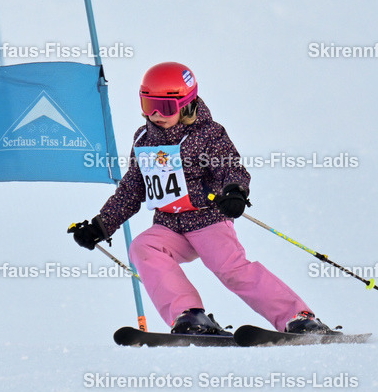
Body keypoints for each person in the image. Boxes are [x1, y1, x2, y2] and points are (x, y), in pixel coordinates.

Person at [69, 62, 331, 335]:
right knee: (143, 247)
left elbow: (230, 167)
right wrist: (101, 225)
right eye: (149, 105)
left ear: (186, 104)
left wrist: (234, 191)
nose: (156, 115)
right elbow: (133, 188)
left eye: (166, 107)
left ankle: (297, 317)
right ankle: (190, 315)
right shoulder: (144, 139)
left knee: (230, 269)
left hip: (208, 219)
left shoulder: (207, 134)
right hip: (170, 225)